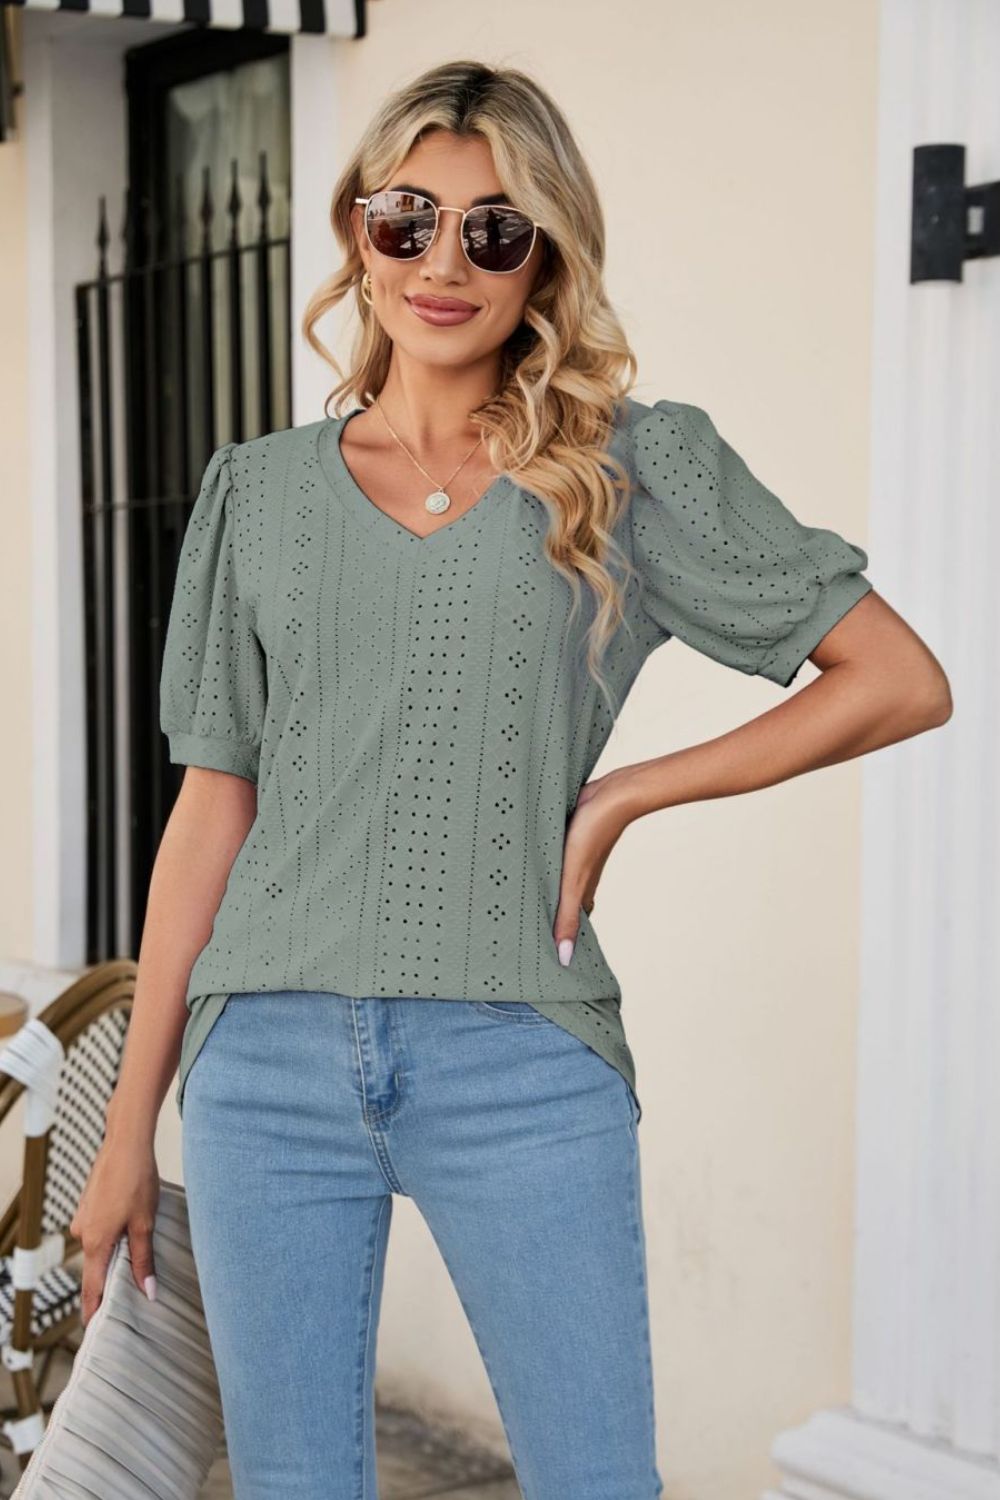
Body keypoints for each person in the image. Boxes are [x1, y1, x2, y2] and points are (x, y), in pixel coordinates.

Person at [70, 58, 952, 1500]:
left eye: (495, 230)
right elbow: (212, 809)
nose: (443, 264)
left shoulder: (626, 472)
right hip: (266, 1065)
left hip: (520, 1054)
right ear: (358, 229)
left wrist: (624, 794)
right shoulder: (257, 493)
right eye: (407, 220)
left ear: (545, 257)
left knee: (596, 1480)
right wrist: (129, 1133)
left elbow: (898, 678)